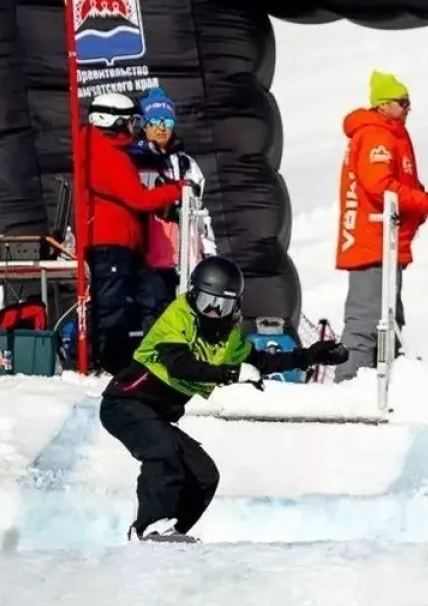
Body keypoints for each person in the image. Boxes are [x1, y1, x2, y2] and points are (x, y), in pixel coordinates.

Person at [98, 256, 350, 543]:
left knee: (204, 475)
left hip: (157, 415)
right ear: (193, 295)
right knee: (163, 451)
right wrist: (230, 373)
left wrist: (307, 357)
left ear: (236, 306)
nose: (214, 312)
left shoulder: (227, 336)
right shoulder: (178, 316)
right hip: (125, 403)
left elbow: (259, 361)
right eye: (207, 302)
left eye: (223, 305)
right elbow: (180, 365)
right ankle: (147, 528)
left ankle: (170, 533)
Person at [334, 71, 428, 382]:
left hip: (383, 240)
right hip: (372, 240)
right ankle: (348, 385)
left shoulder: (390, 133)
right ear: (383, 105)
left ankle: (386, 382)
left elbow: (401, 183)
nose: (409, 108)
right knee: (367, 320)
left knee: (389, 317)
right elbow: (380, 186)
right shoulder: (376, 135)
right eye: (403, 102)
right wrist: (424, 202)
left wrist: (423, 203)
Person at [82, 92, 189, 375]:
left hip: (124, 244)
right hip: (110, 243)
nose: (135, 128)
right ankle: (107, 364)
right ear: (114, 122)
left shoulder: (105, 148)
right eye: (131, 122)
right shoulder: (107, 154)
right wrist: (176, 189)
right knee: (112, 306)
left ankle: (149, 357)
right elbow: (138, 198)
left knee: (152, 294)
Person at [129, 87, 216, 330]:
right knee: (155, 320)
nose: (162, 128)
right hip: (148, 260)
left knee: (188, 320)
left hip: (186, 259)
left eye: (167, 121)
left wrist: (209, 253)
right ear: (144, 124)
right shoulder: (133, 161)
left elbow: (201, 215)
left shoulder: (187, 164)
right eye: (155, 121)